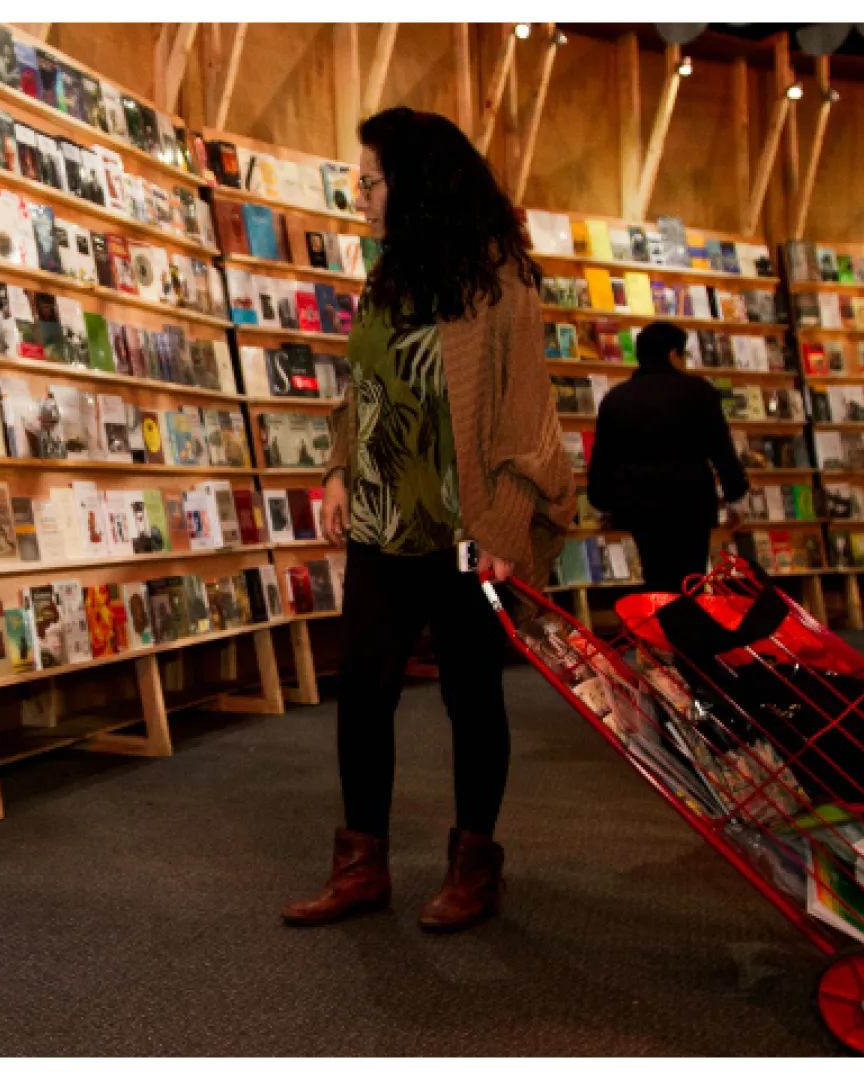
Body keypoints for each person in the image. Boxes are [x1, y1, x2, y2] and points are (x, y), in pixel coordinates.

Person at [282, 107, 574, 933]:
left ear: (416, 180)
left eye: (371, 181)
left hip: (466, 529)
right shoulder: (386, 274)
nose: (362, 198)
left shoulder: (499, 277)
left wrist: (511, 531)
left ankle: (474, 866)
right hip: (382, 523)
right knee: (363, 693)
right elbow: (362, 389)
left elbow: (524, 414)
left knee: (471, 696)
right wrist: (340, 467)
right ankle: (360, 865)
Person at [586, 321, 749, 593]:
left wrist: (602, 504)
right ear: (674, 354)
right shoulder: (698, 392)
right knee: (690, 580)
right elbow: (721, 449)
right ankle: (687, 632)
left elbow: (603, 457)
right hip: (690, 501)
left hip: (639, 504)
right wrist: (736, 497)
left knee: (656, 579)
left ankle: (660, 631)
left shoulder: (617, 398)